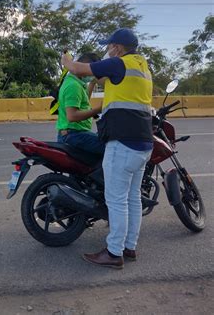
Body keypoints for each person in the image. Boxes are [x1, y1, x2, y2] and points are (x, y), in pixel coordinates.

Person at [61, 28, 153, 269]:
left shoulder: (118, 64)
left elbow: (80, 69)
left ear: (119, 48)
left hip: (122, 141)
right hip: (143, 142)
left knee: (117, 200)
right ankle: (129, 247)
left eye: (109, 46)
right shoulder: (142, 67)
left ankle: (114, 253)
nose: (107, 50)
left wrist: (66, 60)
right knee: (132, 198)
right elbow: (99, 79)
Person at [57, 53, 105, 156]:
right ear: (84, 67)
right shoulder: (74, 86)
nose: (94, 74)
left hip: (72, 133)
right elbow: (72, 116)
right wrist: (98, 109)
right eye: (93, 71)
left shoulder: (74, 82)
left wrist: (92, 83)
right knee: (110, 148)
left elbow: (83, 101)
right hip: (73, 135)